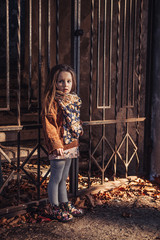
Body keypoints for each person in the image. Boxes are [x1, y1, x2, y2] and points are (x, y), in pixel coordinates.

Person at [41, 64, 83, 222]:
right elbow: (49, 126)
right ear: (54, 82)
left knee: (64, 177)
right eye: (60, 81)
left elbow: (74, 120)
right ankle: (54, 206)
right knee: (56, 177)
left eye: (68, 81)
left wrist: (78, 130)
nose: (65, 85)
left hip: (71, 143)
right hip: (58, 145)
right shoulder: (52, 101)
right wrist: (56, 145)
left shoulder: (72, 100)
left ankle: (64, 203)